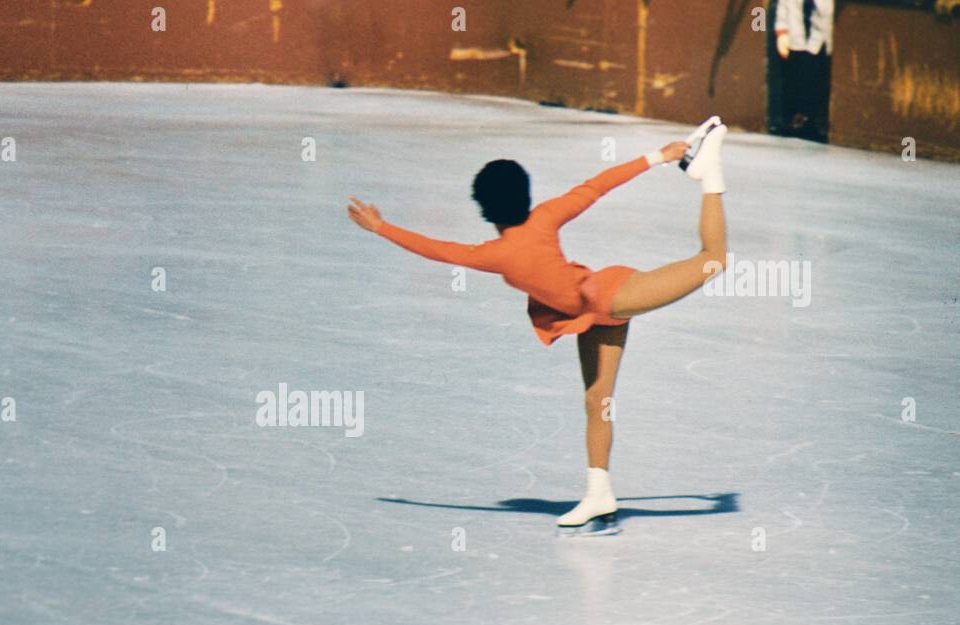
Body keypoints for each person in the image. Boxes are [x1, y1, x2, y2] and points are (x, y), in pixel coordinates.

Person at [347, 117, 728, 536]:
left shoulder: (495, 253)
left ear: (484, 208)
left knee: (714, 260)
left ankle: (710, 173)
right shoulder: (543, 217)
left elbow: (442, 251)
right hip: (595, 313)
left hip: (611, 295)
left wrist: (382, 228)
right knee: (597, 399)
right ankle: (599, 492)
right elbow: (595, 186)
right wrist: (657, 156)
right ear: (524, 196)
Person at [775, 0, 835, 142]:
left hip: (819, 42)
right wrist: (782, 34)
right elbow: (782, 11)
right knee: (796, 80)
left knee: (816, 81)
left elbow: (827, 13)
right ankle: (797, 118)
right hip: (797, 42)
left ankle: (815, 121)